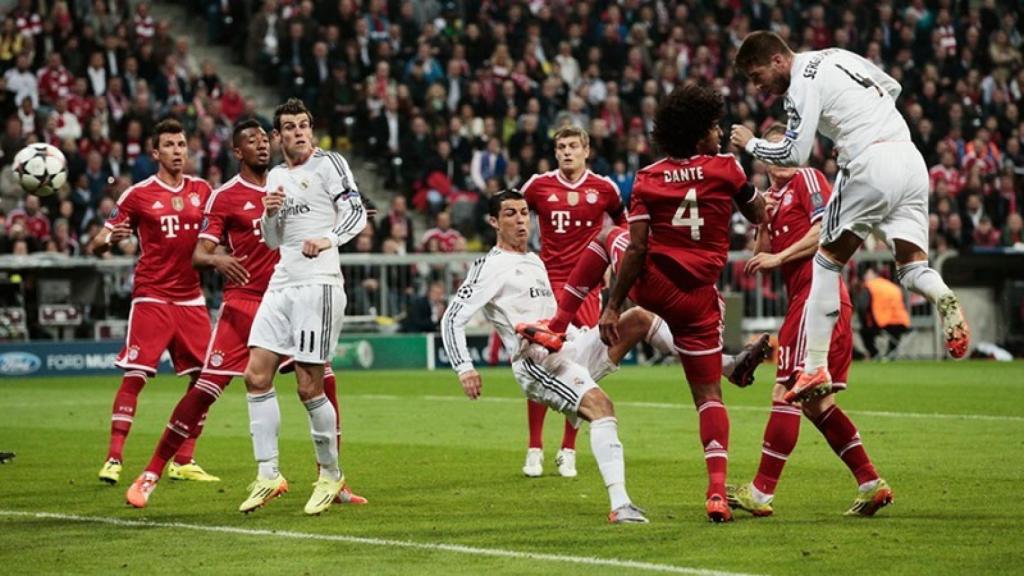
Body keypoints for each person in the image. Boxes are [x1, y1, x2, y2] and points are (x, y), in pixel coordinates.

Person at [123, 119, 366, 508]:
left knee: (321, 385)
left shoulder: (289, 181)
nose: (262, 145)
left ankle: (332, 478)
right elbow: (199, 254)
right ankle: (151, 473)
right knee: (206, 388)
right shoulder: (225, 196)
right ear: (238, 151)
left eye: (265, 139)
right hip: (245, 303)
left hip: (293, 298)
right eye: (252, 141)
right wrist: (218, 260)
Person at [730, 31, 969, 404]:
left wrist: (750, 144)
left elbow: (794, 154)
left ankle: (814, 367)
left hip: (868, 163)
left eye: (757, 75)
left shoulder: (801, 81)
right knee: (911, 268)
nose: (758, 86)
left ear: (777, 60)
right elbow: (892, 88)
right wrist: (861, 122)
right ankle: (944, 296)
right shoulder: (837, 54)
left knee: (825, 262)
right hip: (909, 158)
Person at [605, 83, 766, 522]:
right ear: (697, 136)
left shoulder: (647, 178)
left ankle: (562, 322)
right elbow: (758, 213)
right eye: (713, 126)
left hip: (654, 285)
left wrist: (613, 305)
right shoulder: (726, 168)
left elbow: (637, 249)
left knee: (609, 238)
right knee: (708, 396)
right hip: (697, 298)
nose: (719, 133)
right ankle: (716, 493)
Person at [441, 189, 647, 524]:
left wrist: (577, 334)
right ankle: (620, 504)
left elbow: (551, 318)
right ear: (494, 222)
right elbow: (452, 318)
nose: (521, 220)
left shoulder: (535, 261)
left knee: (639, 319)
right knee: (601, 407)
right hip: (536, 361)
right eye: (510, 214)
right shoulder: (489, 266)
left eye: (525, 212)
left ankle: (722, 364)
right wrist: (464, 368)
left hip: (565, 345)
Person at [728, 124, 892, 518]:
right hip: (810, 300)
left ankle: (761, 492)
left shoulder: (808, 178)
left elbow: (825, 232)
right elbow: (761, 257)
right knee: (817, 404)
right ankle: (870, 483)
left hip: (816, 297)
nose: (783, 157)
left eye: (788, 149)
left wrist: (780, 257)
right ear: (763, 159)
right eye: (774, 151)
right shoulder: (774, 197)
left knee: (785, 389)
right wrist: (763, 218)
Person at [238, 98, 367, 516]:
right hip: (283, 282)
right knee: (255, 375)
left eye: (304, 125)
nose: (299, 132)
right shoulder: (275, 176)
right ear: (277, 136)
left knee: (309, 386)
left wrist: (328, 238)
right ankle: (268, 474)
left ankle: (330, 475)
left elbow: (357, 212)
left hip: (319, 283)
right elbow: (272, 240)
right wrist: (268, 216)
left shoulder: (329, 164)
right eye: (290, 127)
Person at [88, 118, 215, 486]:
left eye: (181, 144)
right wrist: (109, 241)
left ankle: (184, 460)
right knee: (136, 374)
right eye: (170, 145)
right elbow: (97, 242)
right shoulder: (138, 194)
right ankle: (114, 458)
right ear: (155, 153)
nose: (177, 151)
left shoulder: (203, 190)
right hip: (152, 296)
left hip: (191, 299)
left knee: (207, 380)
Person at [516, 126, 626, 479]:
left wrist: (610, 263)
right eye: (561, 146)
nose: (566, 152)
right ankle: (534, 448)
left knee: (581, 368)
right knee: (539, 360)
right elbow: (513, 213)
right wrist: (522, 257)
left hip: (587, 290)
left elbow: (623, 227)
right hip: (547, 285)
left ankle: (568, 450)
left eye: (573, 146)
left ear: (586, 150)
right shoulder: (538, 185)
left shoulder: (604, 188)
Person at [857, 266, 911, 361]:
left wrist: (864, 322)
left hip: (882, 322)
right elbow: (905, 304)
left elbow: (862, 306)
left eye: (867, 275)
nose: (865, 277)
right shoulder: (893, 286)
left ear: (874, 275)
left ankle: (874, 354)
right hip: (902, 323)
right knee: (895, 335)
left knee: (864, 332)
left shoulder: (869, 286)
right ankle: (890, 354)